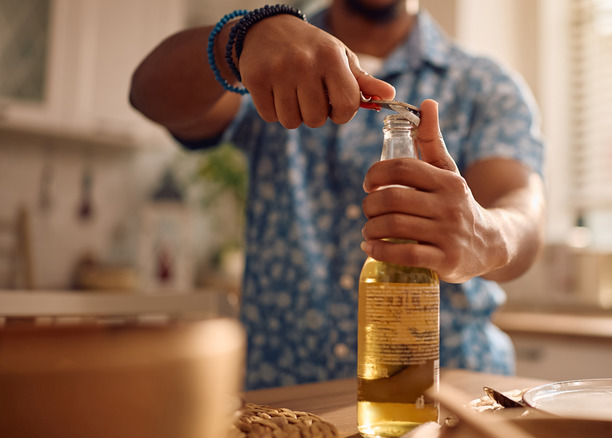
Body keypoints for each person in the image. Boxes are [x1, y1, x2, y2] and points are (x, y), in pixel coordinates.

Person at [130, 0, 545, 390]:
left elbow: (521, 210)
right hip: (287, 409)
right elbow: (148, 94)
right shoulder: (269, 57)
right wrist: (238, 39)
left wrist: (486, 234)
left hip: (448, 400)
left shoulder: (486, 84)